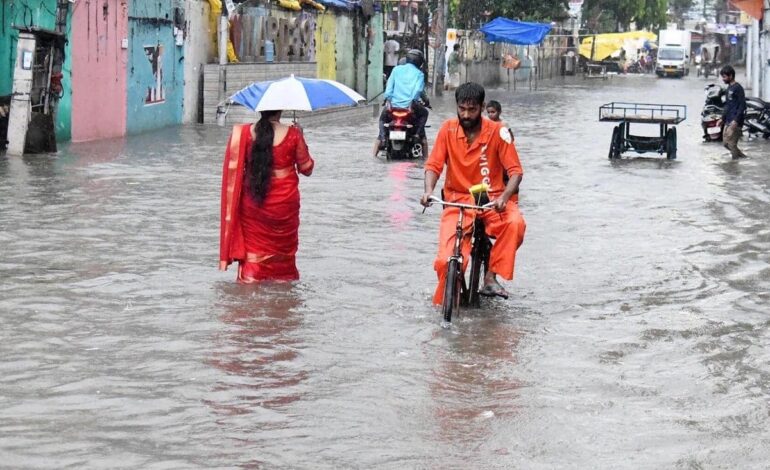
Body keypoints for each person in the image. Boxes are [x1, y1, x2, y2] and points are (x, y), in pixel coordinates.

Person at [420, 82, 526, 303]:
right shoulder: (447, 129)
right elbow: (433, 166)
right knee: (444, 260)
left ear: (482, 107)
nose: (466, 115)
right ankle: (445, 304)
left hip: (490, 199)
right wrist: (428, 191)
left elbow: (515, 172)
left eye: (472, 109)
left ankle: (491, 276)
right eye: (462, 109)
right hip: (457, 199)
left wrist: (504, 197)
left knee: (515, 223)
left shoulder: (498, 132)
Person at [219, 110, 315, 282]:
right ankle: (284, 291)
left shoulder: (244, 134)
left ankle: (250, 284)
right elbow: (306, 168)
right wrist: (301, 136)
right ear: (280, 111)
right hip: (285, 206)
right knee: (283, 255)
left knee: (254, 255)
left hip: (253, 203)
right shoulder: (293, 135)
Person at [373, 49, 429, 157]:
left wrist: (388, 99)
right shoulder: (419, 74)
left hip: (393, 107)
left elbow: (389, 89)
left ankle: (383, 139)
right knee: (425, 113)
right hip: (410, 107)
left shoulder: (396, 70)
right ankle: (418, 137)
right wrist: (413, 101)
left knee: (382, 119)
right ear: (420, 62)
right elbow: (418, 90)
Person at [720, 65, 747, 159]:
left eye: (724, 77)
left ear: (730, 76)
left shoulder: (738, 88)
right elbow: (727, 105)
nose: (723, 79)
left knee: (731, 144)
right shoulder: (728, 89)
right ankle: (743, 158)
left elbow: (742, 105)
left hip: (736, 121)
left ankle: (734, 165)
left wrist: (736, 120)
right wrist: (722, 118)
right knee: (725, 143)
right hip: (728, 120)